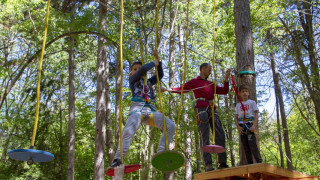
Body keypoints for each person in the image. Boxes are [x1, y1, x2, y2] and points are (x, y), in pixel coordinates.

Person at [110, 50, 176, 168]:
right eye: (134, 69)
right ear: (132, 72)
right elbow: (143, 69)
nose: (137, 70)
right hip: (137, 109)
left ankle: (161, 151)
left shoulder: (149, 82)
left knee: (171, 126)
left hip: (151, 110)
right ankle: (118, 159)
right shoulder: (133, 80)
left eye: (138, 68)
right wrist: (152, 63)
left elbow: (160, 75)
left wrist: (158, 60)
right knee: (128, 131)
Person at [163, 63, 230, 171]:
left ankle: (222, 162)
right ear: (203, 69)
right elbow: (182, 89)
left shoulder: (211, 83)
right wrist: (167, 89)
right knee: (205, 136)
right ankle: (208, 164)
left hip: (212, 108)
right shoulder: (194, 82)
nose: (210, 72)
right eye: (209, 70)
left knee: (220, 135)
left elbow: (224, 91)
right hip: (201, 110)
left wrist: (226, 79)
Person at [234, 84, 262, 164]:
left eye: (246, 91)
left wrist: (254, 126)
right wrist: (238, 127)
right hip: (242, 126)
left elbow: (256, 114)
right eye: (243, 92)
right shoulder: (238, 105)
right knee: (245, 146)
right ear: (239, 94)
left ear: (249, 93)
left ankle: (259, 161)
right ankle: (250, 163)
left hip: (249, 124)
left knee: (252, 144)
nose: (244, 93)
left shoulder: (252, 102)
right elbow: (235, 117)